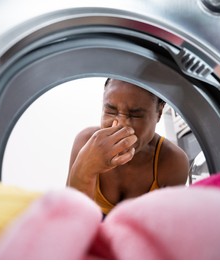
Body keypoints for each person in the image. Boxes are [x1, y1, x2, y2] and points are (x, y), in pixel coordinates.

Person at [66, 78, 189, 215]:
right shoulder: (85, 142)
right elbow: (69, 219)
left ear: (159, 113)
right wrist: (86, 170)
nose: (120, 125)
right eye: (111, 111)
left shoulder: (172, 161)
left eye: (135, 115)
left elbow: (165, 229)